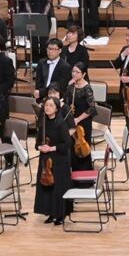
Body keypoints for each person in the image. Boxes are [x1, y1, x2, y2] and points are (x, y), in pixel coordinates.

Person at [34, 96, 73, 225]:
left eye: (51, 105)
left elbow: (67, 143)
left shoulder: (61, 124)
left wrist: (51, 148)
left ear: (56, 109)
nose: (47, 107)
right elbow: (37, 143)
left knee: (58, 188)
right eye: (46, 105)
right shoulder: (43, 123)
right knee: (47, 187)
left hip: (59, 160)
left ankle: (60, 215)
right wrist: (40, 147)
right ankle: (50, 213)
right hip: (45, 160)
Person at [65, 63, 96, 172]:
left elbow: (92, 108)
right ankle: (74, 174)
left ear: (83, 74)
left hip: (83, 122)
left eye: (77, 72)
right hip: (72, 121)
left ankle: (85, 175)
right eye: (73, 71)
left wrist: (78, 119)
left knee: (82, 148)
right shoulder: (71, 87)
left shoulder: (87, 88)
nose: (74, 74)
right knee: (72, 147)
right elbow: (66, 102)